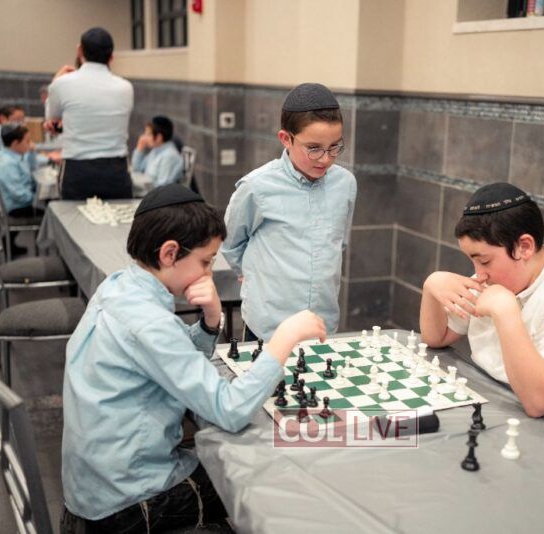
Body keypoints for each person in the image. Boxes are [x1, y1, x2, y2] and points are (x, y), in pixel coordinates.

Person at [60, 184, 326, 533]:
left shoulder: (118, 286)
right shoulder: (150, 322)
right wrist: (284, 339)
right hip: (128, 506)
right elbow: (230, 411)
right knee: (268, 475)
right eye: (205, 261)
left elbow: (171, 360)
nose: (209, 273)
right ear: (170, 253)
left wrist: (211, 320)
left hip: (95, 486)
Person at [419, 183, 544, 428]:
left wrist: (506, 312)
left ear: (524, 247)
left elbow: (538, 404)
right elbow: (437, 337)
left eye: (484, 261)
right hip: (489, 403)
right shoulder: (493, 279)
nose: (479, 274)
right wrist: (431, 287)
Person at [221, 83, 357, 342]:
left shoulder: (346, 183)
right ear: (286, 139)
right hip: (269, 326)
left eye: (334, 147)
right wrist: (251, 274)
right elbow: (231, 243)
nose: (325, 158)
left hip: (322, 324)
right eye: (314, 148)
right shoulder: (257, 187)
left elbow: (338, 242)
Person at [45, 26, 133, 200]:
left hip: (77, 169)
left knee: (71, 216)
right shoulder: (126, 87)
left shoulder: (62, 84)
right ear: (111, 56)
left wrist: (55, 81)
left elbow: (52, 118)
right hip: (116, 170)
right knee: (119, 216)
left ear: (79, 51)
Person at [0, 124, 38, 215]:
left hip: (22, 201)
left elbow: (33, 169)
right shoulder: (7, 163)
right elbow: (19, 195)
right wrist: (38, 200)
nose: (31, 144)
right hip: (16, 207)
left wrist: (32, 152)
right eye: (27, 141)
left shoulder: (15, 155)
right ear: (15, 143)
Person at [132, 115, 184, 187]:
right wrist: (139, 148)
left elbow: (162, 187)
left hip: (155, 192)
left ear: (159, 137)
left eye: (148, 134)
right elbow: (137, 169)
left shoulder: (169, 156)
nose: (144, 138)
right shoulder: (155, 150)